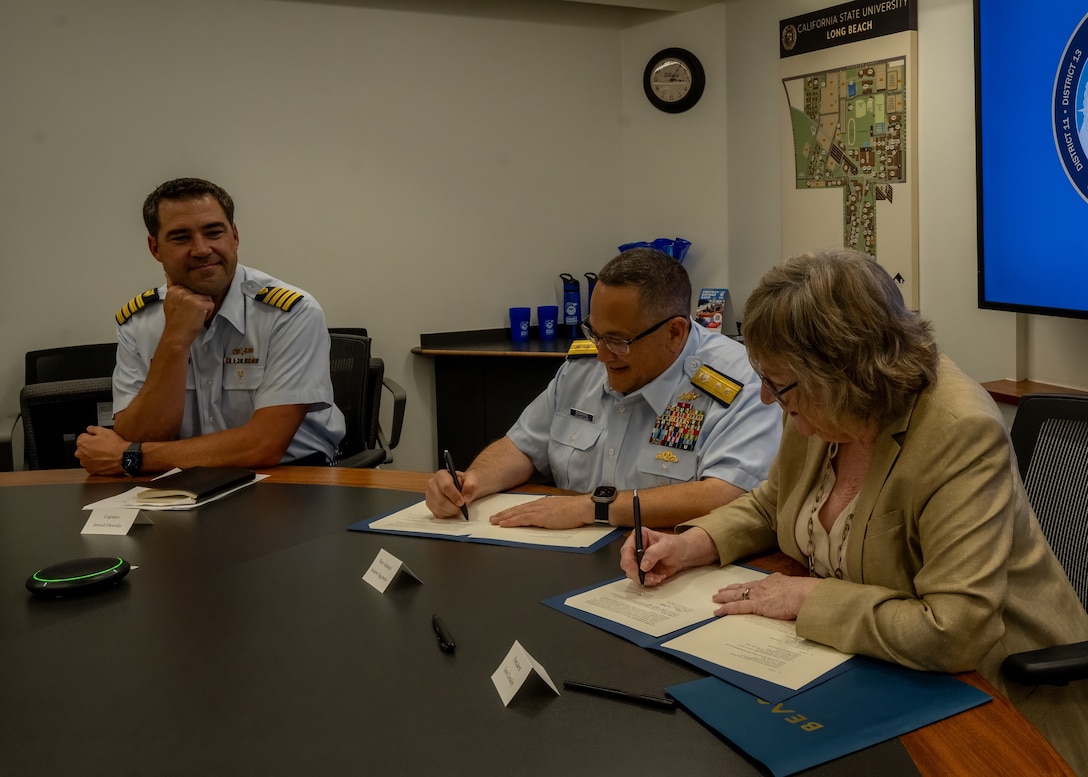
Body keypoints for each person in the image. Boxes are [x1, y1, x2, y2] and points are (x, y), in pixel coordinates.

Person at [620, 248, 1088, 774]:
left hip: (994, 697)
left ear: (841, 370)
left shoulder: (959, 432)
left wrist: (809, 597)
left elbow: (956, 632)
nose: (769, 401)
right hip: (863, 669)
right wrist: (690, 544)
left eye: (777, 383)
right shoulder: (816, 407)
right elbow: (774, 503)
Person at [425, 247, 783, 529]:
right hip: (567, 553)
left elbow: (729, 495)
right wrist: (470, 482)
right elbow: (522, 446)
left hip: (670, 560)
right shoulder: (584, 368)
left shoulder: (738, 380)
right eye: (594, 333)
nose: (600, 354)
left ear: (675, 332)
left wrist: (592, 507)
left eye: (617, 340)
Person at [76, 177, 345, 475]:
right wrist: (175, 339)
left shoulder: (290, 313)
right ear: (155, 248)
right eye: (180, 237)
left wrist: (131, 458)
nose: (202, 249)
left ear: (235, 236)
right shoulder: (139, 321)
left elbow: (263, 445)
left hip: (292, 479)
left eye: (213, 232)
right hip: (181, 482)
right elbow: (139, 436)